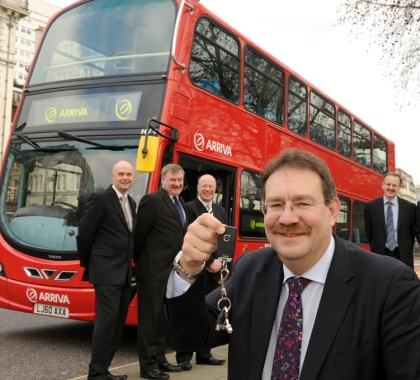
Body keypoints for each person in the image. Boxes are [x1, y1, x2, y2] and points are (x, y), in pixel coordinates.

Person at [162, 149, 420, 379]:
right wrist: (189, 267)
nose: (286, 218)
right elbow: (188, 336)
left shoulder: (390, 285)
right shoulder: (252, 268)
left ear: (331, 211)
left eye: (302, 203)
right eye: (276, 205)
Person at [77, 160, 137, 380]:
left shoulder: (131, 202)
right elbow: (84, 234)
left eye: (129, 174)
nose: (125, 178)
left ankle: (104, 370)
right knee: (106, 321)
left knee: (117, 322)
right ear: (112, 176)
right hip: (105, 272)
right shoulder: (100, 198)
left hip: (124, 273)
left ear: (133, 177)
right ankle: (97, 373)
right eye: (121, 174)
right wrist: (90, 263)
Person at [133, 164, 188, 380]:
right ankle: (147, 367)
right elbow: (139, 235)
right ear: (163, 179)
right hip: (152, 271)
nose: (176, 184)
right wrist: (140, 263)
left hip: (172, 271)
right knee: (149, 320)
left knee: (162, 319)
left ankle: (160, 360)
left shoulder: (180, 202)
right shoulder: (152, 200)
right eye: (172, 180)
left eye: (180, 181)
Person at [175, 174, 227, 369]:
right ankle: (184, 357)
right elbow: (185, 239)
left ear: (215, 189)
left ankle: (204, 353)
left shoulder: (220, 210)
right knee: (189, 312)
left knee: (208, 313)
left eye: (211, 186)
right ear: (198, 188)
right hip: (194, 270)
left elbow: (223, 240)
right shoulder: (188, 209)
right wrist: (210, 262)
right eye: (204, 186)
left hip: (214, 274)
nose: (207, 189)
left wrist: (222, 261)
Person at [364, 172, 416, 268]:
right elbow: (369, 232)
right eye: (388, 184)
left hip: (403, 256)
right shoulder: (370, 207)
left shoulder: (410, 208)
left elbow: (412, 233)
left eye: (394, 185)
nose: (391, 188)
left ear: (399, 187)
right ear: (383, 185)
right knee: (381, 282)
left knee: (403, 283)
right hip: (379, 254)